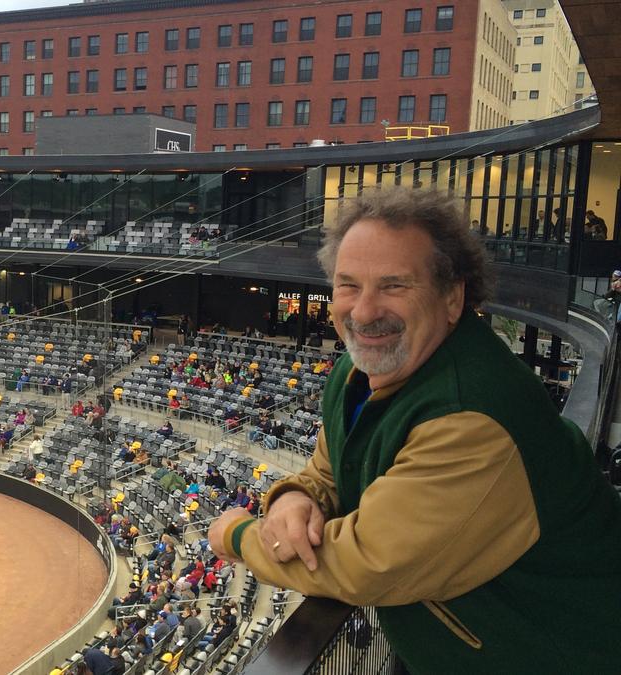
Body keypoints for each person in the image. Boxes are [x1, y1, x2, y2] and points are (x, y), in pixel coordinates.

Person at [207, 187, 621, 673]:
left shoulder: (473, 416)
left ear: (452, 297)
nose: (363, 312)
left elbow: (363, 563)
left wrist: (238, 535)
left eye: (394, 285)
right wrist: (294, 498)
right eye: (348, 285)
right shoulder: (360, 372)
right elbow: (332, 467)